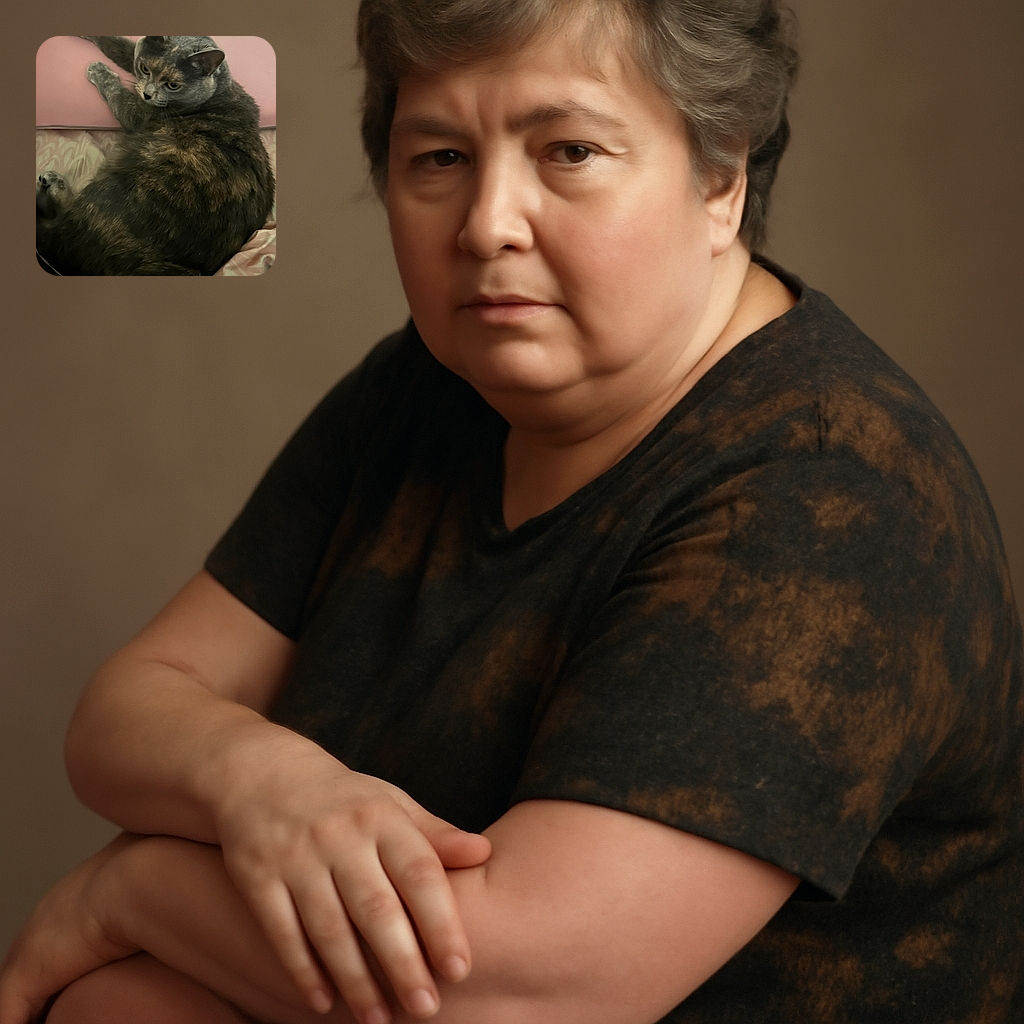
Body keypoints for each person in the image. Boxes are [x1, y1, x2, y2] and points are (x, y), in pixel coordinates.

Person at [2, 0, 1022, 1021]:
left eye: (568, 150)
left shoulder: (828, 493)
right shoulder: (433, 386)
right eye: (439, 157)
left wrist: (128, 892)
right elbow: (126, 713)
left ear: (720, 179)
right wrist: (261, 781)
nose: (488, 223)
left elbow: (510, 999)